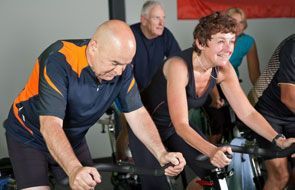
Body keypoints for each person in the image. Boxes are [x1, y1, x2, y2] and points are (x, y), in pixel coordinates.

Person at [3, 20, 186, 190]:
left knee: (87, 184)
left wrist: (161, 153)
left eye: (126, 64)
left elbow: (137, 114)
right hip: (29, 136)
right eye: (114, 63)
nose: (119, 71)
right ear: (93, 48)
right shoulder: (59, 60)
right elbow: (50, 124)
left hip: (72, 138)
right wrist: (74, 169)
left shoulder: (122, 70)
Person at [138, 12, 295, 190]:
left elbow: (247, 112)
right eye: (221, 41)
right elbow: (181, 124)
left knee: (212, 175)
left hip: (173, 128)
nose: (228, 48)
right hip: (146, 129)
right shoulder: (178, 66)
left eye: (232, 41)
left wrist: (278, 139)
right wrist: (211, 150)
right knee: (156, 185)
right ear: (200, 42)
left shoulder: (223, 70)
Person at [115, 0, 181, 161]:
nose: (161, 23)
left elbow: (178, 61)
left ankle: (155, 160)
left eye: (163, 18)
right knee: (129, 127)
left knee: (157, 125)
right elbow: (120, 69)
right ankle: (121, 161)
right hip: (127, 89)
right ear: (144, 20)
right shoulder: (129, 35)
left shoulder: (165, 35)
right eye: (156, 18)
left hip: (152, 91)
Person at [204, 7, 261, 144]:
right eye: (234, 22)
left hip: (230, 82)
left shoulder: (248, 42)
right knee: (219, 126)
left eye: (241, 22)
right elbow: (209, 70)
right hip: (209, 83)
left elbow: (254, 75)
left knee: (246, 121)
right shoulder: (217, 38)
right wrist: (216, 96)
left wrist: (262, 95)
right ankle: (209, 159)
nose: (238, 26)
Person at [248, 34, 295, 190]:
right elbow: (289, 98)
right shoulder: (292, 46)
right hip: (267, 110)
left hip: (292, 115)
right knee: (281, 175)